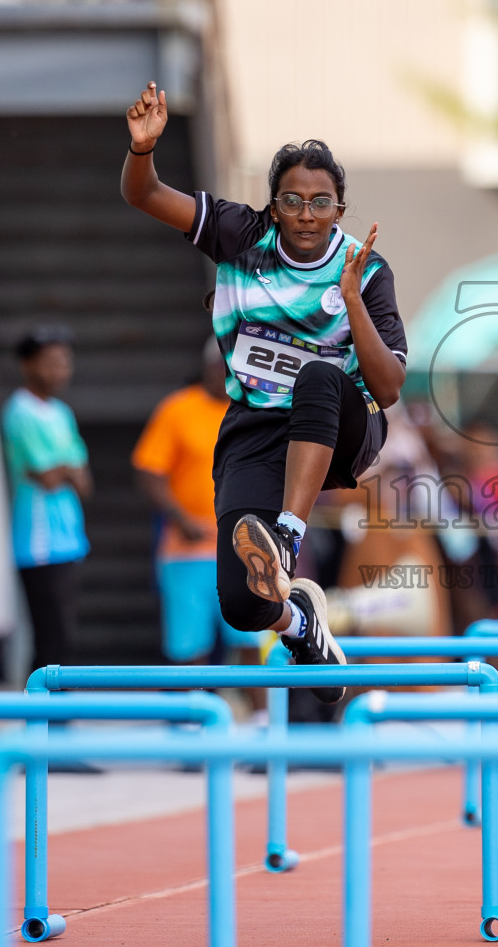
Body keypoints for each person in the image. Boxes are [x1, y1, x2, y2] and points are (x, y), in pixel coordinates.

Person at [120, 82, 407, 702]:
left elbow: (387, 389)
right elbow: (142, 194)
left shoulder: (368, 271)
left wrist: (353, 301)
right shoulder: (239, 234)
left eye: (321, 203)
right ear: (274, 207)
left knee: (319, 376)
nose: (307, 214)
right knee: (242, 606)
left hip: (344, 428)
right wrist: (143, 150)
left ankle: (287, 539)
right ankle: (301, 624)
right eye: (293, 202)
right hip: (257, 427)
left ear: (339, 209)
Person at [132, 340, 235, 663]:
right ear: (210, 367)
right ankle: (194, 711)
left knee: (253, 639)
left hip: (243, 548)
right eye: (225, 366)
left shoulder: (249, 412)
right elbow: (149, 472)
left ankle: (263, 715)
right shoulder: (178, 409)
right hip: (189, 549)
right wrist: (180, 518)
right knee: (190, 645)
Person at [1, 325, 93, 673]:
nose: (59, 371)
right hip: (37, 540)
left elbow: (83, 481)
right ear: (27, 365)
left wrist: (66, 470)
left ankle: (58, 717)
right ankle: (45, 718)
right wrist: (67, 469)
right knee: (49, 636)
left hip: (68, 538)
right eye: (50, 363)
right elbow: (50, 477)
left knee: (63, 635)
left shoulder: (61, 412)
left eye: (64, 363)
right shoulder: (19, 411)